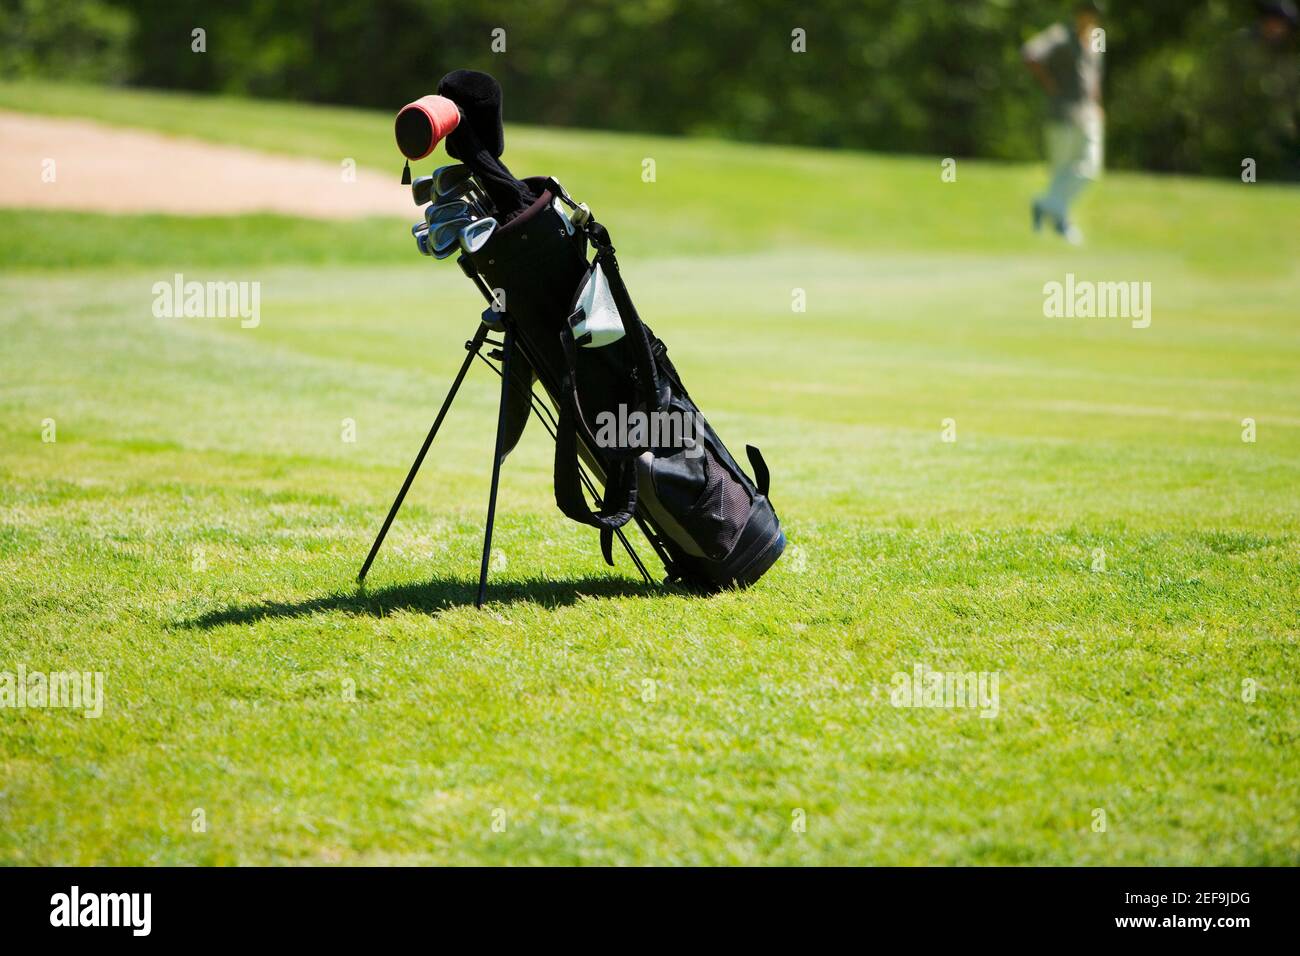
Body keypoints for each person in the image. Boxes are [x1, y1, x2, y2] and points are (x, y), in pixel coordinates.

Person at [1022, 1, 1105, 244]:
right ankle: (1061, 223)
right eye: (1086, 12)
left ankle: (1044, 205)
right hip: (1062, 113)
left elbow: (1094, 74)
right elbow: (1030, 54)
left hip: (1088, 114)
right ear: (1078, 13)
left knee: (1088, 169)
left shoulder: (1098, 38)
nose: (1089, 18)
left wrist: (1097, 103)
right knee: (1061, 171)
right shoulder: (1059, 34)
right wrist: (1052, 86)